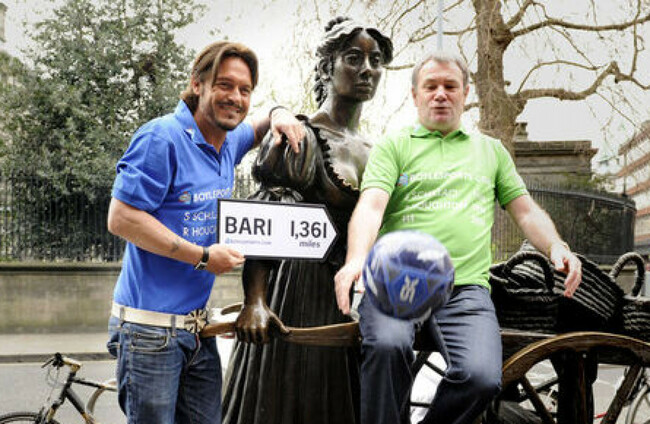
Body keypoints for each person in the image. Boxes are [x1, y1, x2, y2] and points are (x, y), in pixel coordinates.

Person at [333, 51, 583, 424]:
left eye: (450, 86)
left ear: (465, 93)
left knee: (481, 377)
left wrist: (556, 246)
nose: (440, 94)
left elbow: (526, 211)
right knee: (386, 346)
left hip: (465, 289)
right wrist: (356, 258)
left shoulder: (491, 151)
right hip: (397, 281)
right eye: (430, 86)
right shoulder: (394, 145)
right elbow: (371, 206)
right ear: (415, 95)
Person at [105, 41, 304, 424]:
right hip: (149, 331)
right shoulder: (162, 138)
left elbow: (260, 124)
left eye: (245, 89)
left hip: (198, 331)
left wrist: (279, 113)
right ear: (197, 84)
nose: (236, 98)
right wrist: (202, 257)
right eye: (224, 85)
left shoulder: (228, 142)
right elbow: (122, 218)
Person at [221, 17, 393, 424]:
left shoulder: (379, 150)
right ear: (327, 68)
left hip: (353, 297)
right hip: (299, 295)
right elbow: (268, 217)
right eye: (353, 58)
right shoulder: (299, 137)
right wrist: (255, 301)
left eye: (376, 60)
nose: (367, 69)